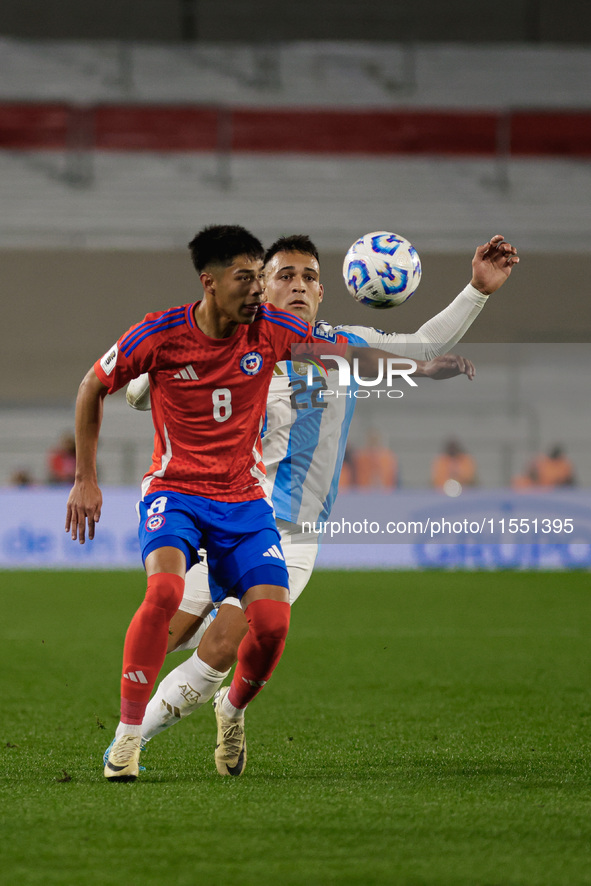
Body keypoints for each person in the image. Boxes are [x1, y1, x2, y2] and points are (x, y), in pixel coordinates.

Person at [131, 232, 518, 775]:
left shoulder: (348, 343)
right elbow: (173, 364)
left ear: (323, 291)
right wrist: (148, 378)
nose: (298, 285)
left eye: (309, 277)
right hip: (226, 511)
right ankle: (176, 714)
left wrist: (478, 289)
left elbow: (424, 344)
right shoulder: (235, 342)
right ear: (260, 286)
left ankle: (144, 742)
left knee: (220, 647)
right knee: (167, 635)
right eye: (284, 275)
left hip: (293, 533)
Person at [66, 224, 376, 782]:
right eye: (249, 278)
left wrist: (425, 359)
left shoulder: (276, 331)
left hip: (250, 506)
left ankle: (230, 711)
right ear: (210, 284)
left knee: (272, 626)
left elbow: (362, 352)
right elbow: (94, 384)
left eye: (264, 278)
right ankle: (127, 740)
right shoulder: (160, 333)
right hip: (177, 491)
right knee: (165, 599)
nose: (259, 290)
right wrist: (86, 477)